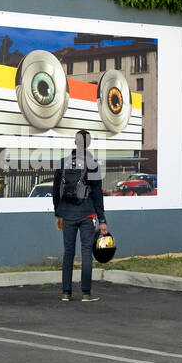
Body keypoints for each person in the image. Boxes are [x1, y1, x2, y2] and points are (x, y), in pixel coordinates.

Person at [53, 129, 109, 302]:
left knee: (68, 252)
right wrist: (102, 220)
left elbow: (55, 191)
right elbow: (97, 195)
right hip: (87, 214)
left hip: (67, 214)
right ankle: (86, 293)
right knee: (86, 252)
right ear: (89, 144)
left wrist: (58, 214)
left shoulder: (62, 163)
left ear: (74, 142)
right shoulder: (93, 164)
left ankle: (66, 293)